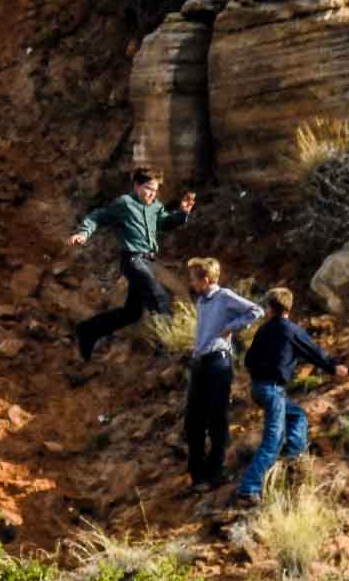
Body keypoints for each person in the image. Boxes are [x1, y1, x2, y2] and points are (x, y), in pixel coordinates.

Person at [69, 168, 197, 362]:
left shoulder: (155, 206)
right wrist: (83, 233)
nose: (152, 194)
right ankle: (177, 345)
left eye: (155, 190)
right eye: (148, 189)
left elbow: (165, 222)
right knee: (159, 296)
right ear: (136, 185)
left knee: (132, 313)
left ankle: (88, 330)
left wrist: (182, 213)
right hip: (133, 260)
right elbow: (98, 216)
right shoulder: (124, 204)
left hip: (148, 260)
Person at [236, 288, 347, 504]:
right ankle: (248, 488)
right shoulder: (291, 330)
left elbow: (248, 360)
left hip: (258, 388)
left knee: (296, 415)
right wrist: (334, 368)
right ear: (289, 306)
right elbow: (313, 352)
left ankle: (293, 457)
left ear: (269, 308)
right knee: (273, 440)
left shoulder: (264, 330)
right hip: (273, 389)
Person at [185, 257, 263, 491]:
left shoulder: (224, 297)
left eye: (194, 279)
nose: (191, 283)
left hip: (218, 363)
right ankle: (197, 475)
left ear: (206, 280)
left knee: (216, 417)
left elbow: (256, 310)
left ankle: (215, 472)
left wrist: (232, 327)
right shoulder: (201, 302)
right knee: (193, 420)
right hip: (200, 362)